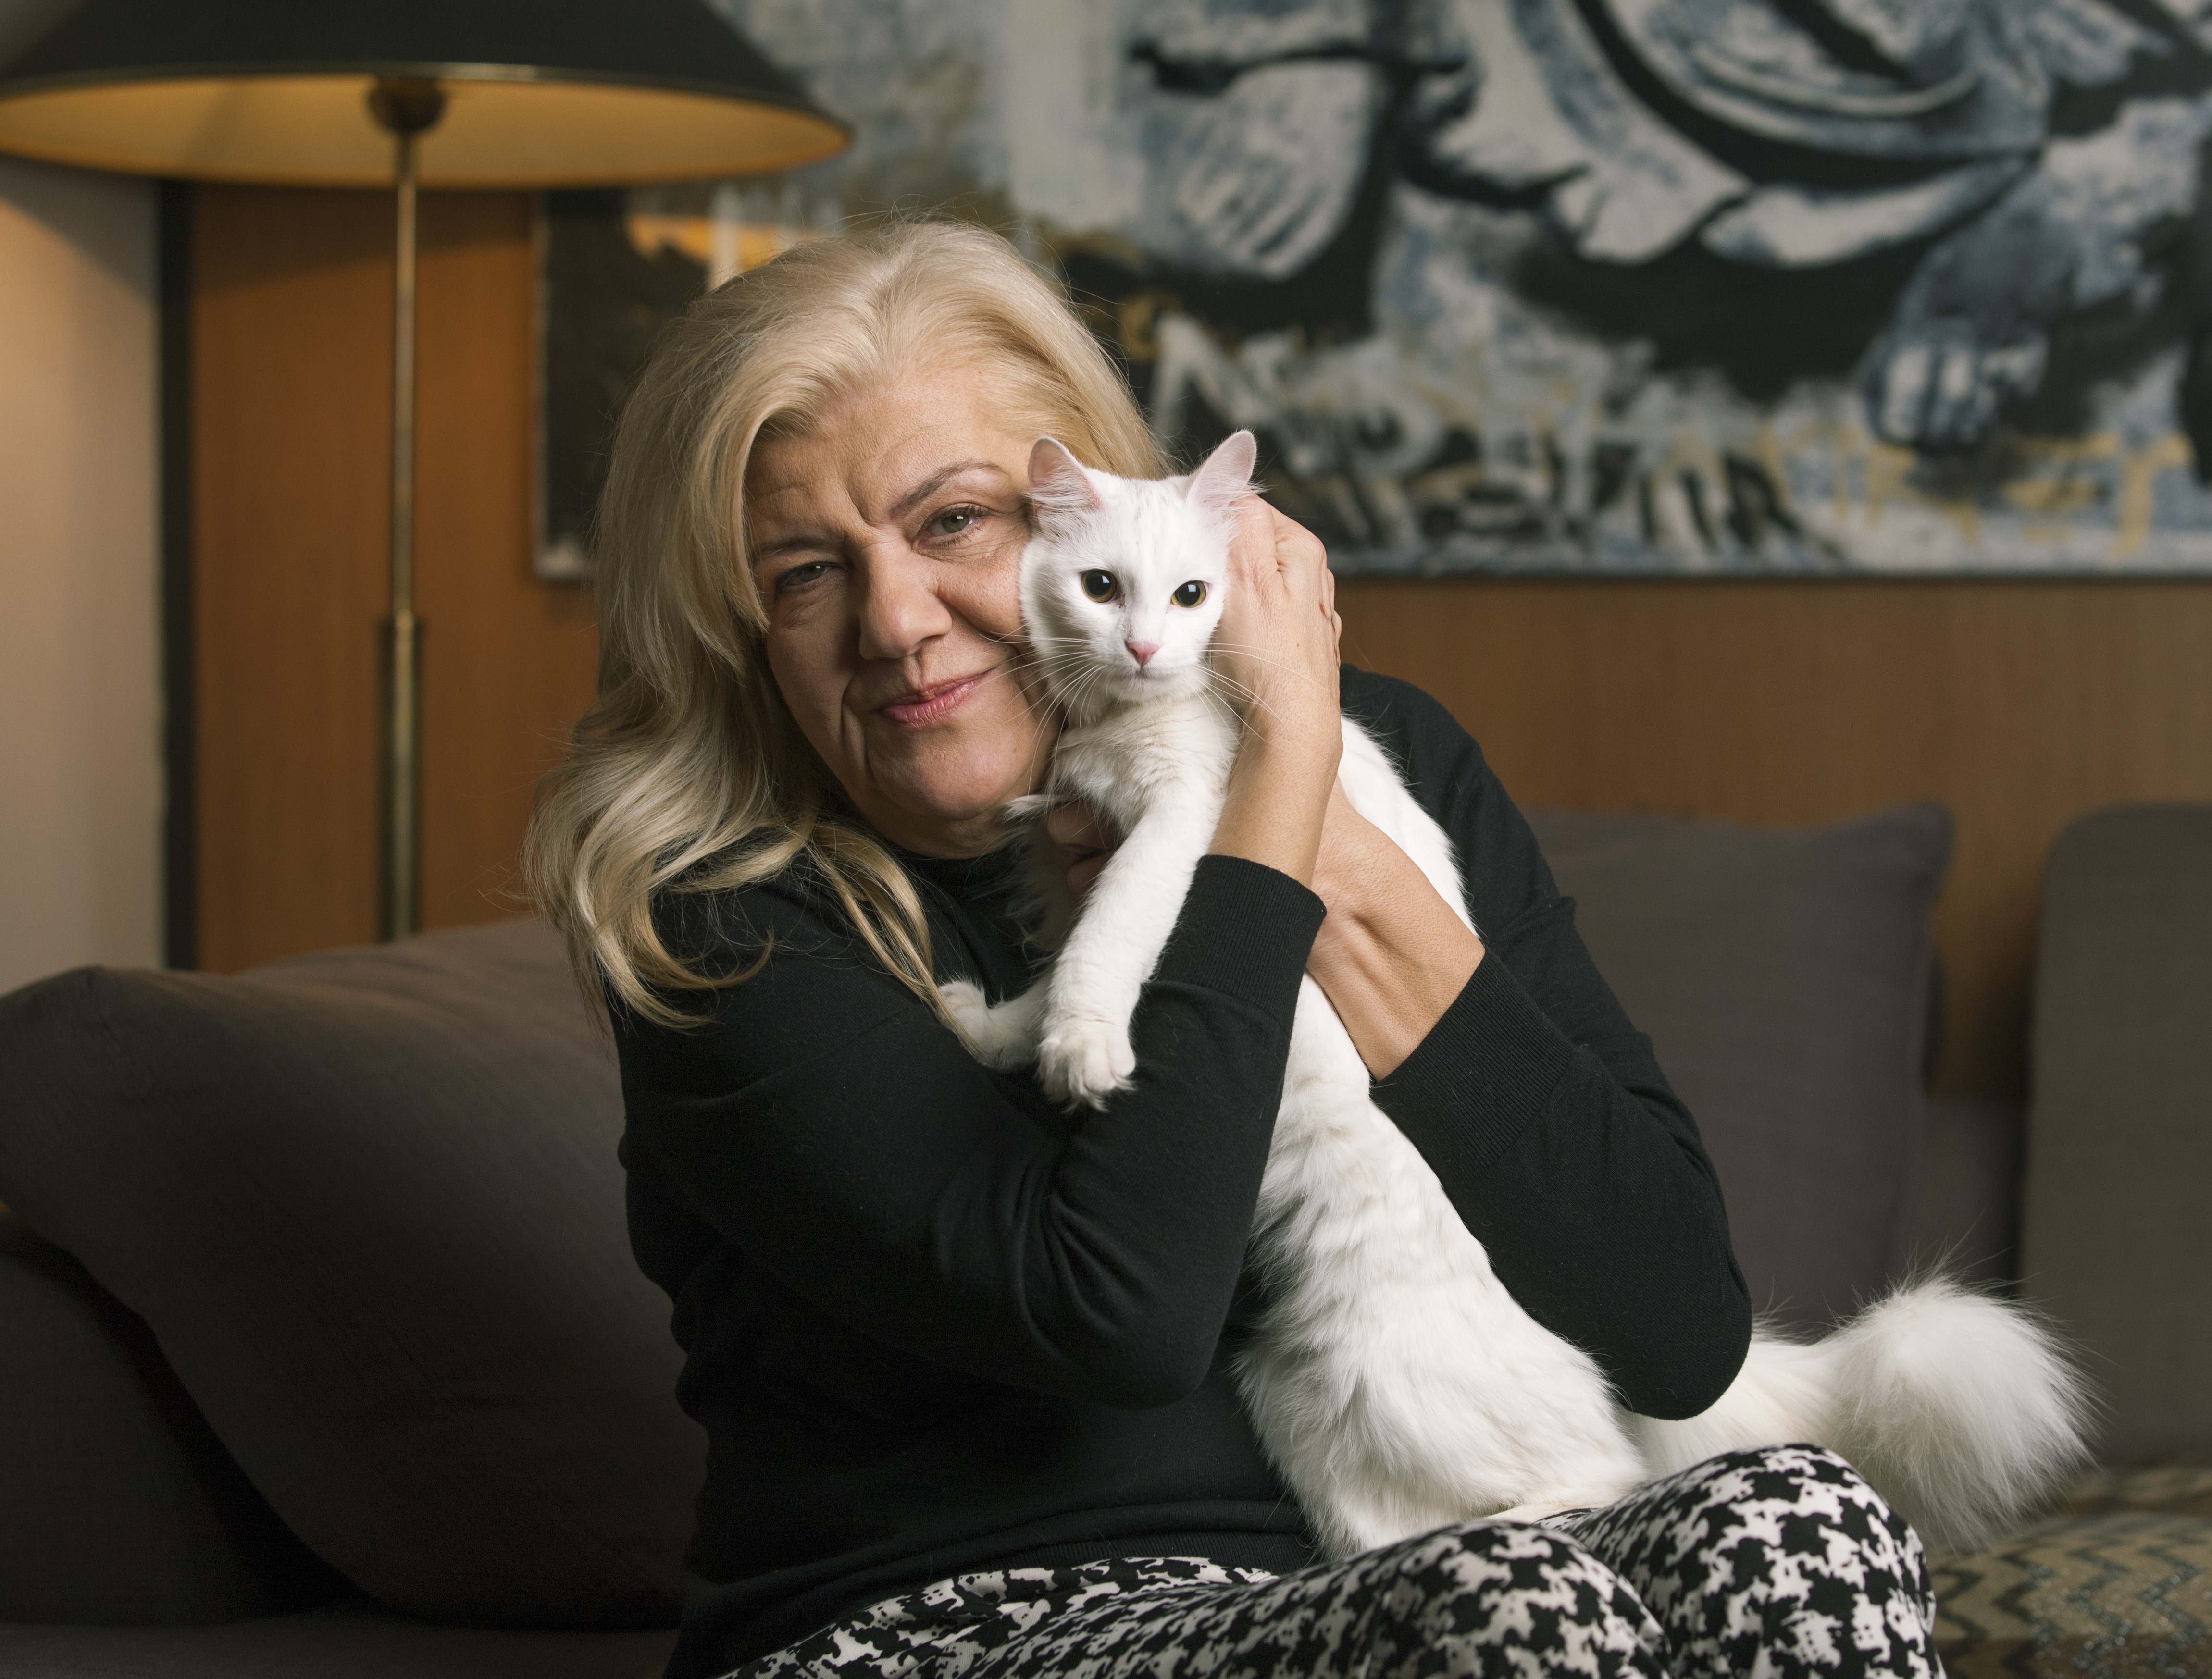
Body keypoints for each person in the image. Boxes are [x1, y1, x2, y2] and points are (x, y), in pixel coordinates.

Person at [527, 219, 1946, 1679]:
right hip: (931, 1626)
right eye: (804, 572)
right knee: (1516, 1604)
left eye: (953, 522)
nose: (896, 621)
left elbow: (1679, 1333)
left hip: (1343, 1587)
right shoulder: (722, 921)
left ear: (1096, 512)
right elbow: (1122, 1314)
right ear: (741, 627)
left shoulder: (1378, 760)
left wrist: (1326, 824)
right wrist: (1266, 813)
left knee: (1802, 1522)